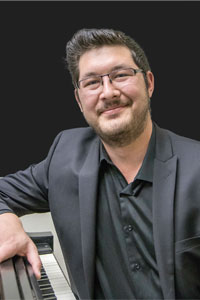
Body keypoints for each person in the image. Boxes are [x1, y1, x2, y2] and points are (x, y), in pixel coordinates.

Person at [0, 28, 199, 300]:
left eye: (120, 75)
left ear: (149, 83)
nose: (108, 92)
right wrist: (6, 220)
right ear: (79, 100)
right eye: (92, 83)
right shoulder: (65, 154)